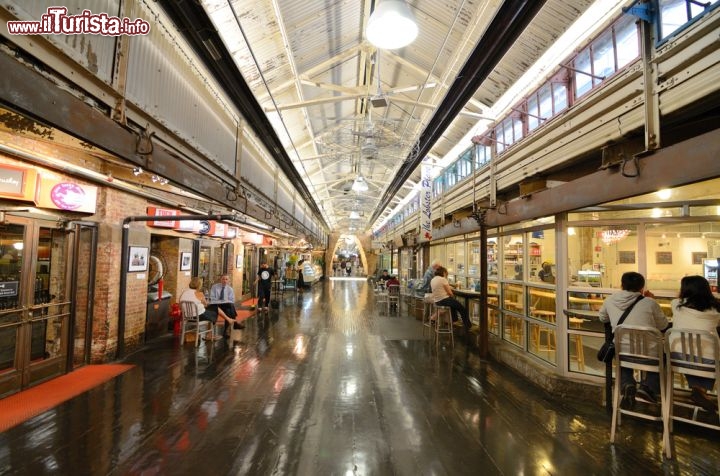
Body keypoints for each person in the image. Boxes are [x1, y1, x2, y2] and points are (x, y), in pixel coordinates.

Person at [598, 271, 668, 408]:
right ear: (642, 287)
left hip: (623, 354)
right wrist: (652, 300)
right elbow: (663, 325)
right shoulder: (649, 303)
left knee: (622, 355)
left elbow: (602, 318)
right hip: (650, 356)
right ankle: (647, 387)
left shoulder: (610, 300)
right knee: (664, 356)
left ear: (621, 285)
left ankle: (627, 384)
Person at [668, 275, 720, 412]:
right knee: (708, 355)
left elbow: (677, 300)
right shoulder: (716, 309)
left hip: (677, 360)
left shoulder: (676, 305)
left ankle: (698, 391)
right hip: (709, 364)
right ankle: (700, 391)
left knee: (690, 355)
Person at [431, 266, 472, 334]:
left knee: (453, 306)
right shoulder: (443, 279)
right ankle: (467, 325)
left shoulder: (433, 279)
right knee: (462, 308)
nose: (446, 275)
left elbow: (441, 287)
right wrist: (452, 296)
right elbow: (450, 293)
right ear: (444, 273)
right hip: (444, 300)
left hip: (437, 301)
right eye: (446, 273)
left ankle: (453, 322)